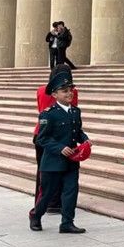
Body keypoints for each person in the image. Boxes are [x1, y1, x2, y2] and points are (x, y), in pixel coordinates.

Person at [29, 68, 87, 234]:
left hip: (71, 160)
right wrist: (60, 148)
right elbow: (42, 139)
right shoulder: (49, 114)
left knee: (71, 191)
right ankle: (35, 215)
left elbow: (78, 131)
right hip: (53, 162)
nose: (69, 93)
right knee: (47, 193)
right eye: (64, 91)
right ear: (54, 95)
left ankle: (67, 222)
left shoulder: (76, 111)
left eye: (70, 90)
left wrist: (85, 139)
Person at [33, 66, 75, 215]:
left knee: (43, 170)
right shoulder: (72, 92)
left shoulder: (40, 90)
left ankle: (42, 202)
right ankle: (55, 203)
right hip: (59, 136)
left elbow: (40, 110)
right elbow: (71, 110)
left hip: (40, 133)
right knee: (60, 169)